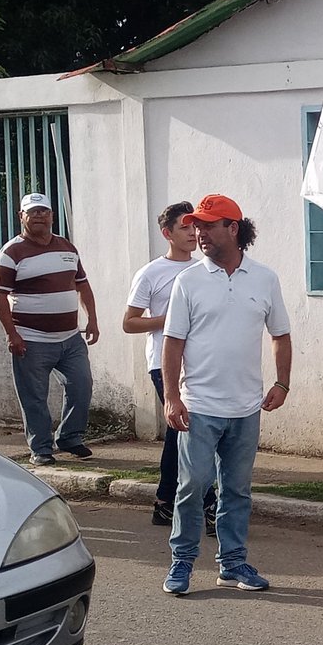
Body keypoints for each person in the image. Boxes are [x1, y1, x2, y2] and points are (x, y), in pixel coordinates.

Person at [160, 194, 292, 596]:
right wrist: (171, 395)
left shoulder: (264, 278)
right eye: (196, 226)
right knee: (193, 485)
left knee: (236, 490)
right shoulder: (189, 280)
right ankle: (181, 563)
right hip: (199, 405)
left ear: (233, 229)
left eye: (208, 225)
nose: (199, 233)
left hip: (246, 406)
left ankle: (232, 564)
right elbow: (172, 342)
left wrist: (282, 383)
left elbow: (281, 336)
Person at [123, 201, 217, 533]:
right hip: (165, 364)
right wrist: (171, 319)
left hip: (203, 364)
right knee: (194, 433)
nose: (193, 233)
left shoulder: (204, 268)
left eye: (196, 227)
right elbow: (130, 322)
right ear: (168, 233)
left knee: (181, 436)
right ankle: (207, 506)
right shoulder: (151, 273)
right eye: (185, 228)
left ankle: (165, 502)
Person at [0, 192, 99, 465]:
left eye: (44, 211)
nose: (39, 216)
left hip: (70, 337)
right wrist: (11, 333)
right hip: (31, 338)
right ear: (22, 217)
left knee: (81, 385)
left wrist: (93, 320)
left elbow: (83, 285)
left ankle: (70, 437)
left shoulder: (67, 247)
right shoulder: (10, 253)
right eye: (32, 212)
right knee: (34, 397)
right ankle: (41, 448)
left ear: (52, 216)